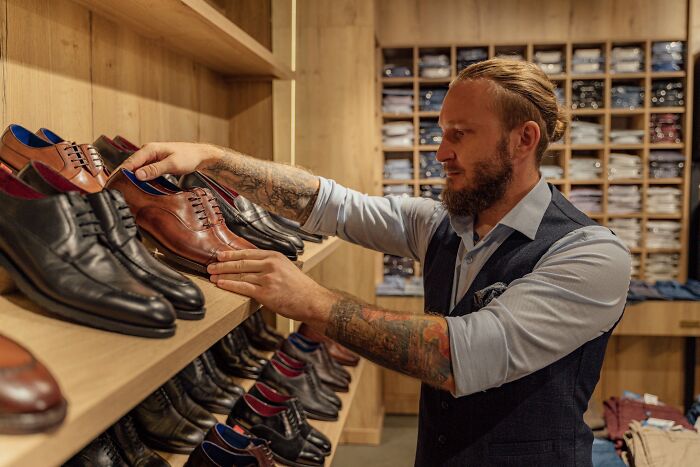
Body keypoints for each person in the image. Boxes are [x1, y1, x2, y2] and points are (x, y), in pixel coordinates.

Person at [122, 58, 630, 466]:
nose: (440, 152)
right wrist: (213, 160)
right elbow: (329, 204)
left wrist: (314, 301)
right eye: (442, 132)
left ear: (524, 139)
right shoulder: (443, 224)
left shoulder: (590, 254)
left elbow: (460, 357)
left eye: (460, 134)